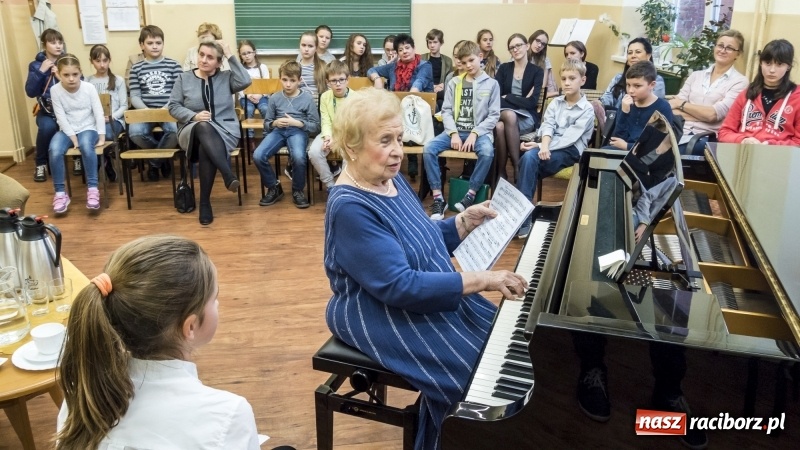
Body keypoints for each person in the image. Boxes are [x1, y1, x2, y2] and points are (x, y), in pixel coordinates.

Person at [324, 87, 528, 450]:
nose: (398, 151)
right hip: (375, 308)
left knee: (496, 345)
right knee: (473, 379)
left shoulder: (387, 176)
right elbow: (401, 286)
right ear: (351, 146)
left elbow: (417, 238)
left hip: (414, 289)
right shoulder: (350, 206)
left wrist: (462, 222)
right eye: (385, 140)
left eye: (400, 138)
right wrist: (483, 279)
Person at [55, 235, 262, 449]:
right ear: (190, 326)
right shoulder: (228, 416)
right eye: (214, 298)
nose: (217, 303)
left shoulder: (83, 397)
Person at [168, 40, 251, 225]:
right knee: (204, 127)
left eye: (210, 57)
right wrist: (193, 116)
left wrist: (231, 55)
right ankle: (227, 174)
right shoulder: (184, 78)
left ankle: (205, 203)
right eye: (201, 55)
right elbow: (173, 106)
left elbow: (246, 80)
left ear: (219, 62)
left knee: (207, 148)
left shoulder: (227, 77)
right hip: (190, 130)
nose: (204, 60)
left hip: (225, 130)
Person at [516, 59, 595, 239]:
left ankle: (521, 213)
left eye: (572, 78)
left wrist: (540, 146)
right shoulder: (555, 103)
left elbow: (569, 138)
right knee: (529, 159)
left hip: (571, 151)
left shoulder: (587, 109)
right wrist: (541, 145)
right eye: (564, 78)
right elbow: (548, 126)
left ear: (582, 80)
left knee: (527, 161)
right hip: (549, 146)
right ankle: (525, 214)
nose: (566, 83)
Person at [424, 40, 500, 220]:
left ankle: (470, 195)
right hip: (455, 131)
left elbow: (494, 115)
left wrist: (475, 133)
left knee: (488, 152)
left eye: (471, 60)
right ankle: (438, 198)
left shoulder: (492, 84)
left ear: (480, 57)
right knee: (428, 149)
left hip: (479, 133)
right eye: (464, 62)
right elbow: (447, 111)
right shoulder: (454, 83)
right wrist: (453, 134)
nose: (467, 66)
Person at [669, 30, 748, 154]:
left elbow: (713, 115)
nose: (723, 50)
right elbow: (672, 108)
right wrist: (703, 114)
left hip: (707, 138)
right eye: (720, 45)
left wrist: (683, 105)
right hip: (680, 131)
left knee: (667, 153)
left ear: (738, 54)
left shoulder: (740, 82)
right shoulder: (695, 76)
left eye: (729, 48)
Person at [254, 61, 320, 209]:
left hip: (298, 131)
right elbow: (267, 123)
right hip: (278, 131)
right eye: (285, 80)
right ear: (280, 79)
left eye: (292, 80)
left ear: (299, 80)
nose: (288, 84)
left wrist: (298, 123)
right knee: (258, 155)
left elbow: (316, 126)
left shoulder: (307, 98)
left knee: (298, 156)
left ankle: (297, 190)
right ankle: (274, 187)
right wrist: (274, 123)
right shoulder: (275, 98)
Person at [367, 33, 434, 180]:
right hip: (398, 110)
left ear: (414, 48)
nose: (404, 51)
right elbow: (371, 70)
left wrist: (407, 96)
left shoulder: (424, 65)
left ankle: (410, 159)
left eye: (407, 48)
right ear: (397, 53)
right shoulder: (393, 67)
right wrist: (377, 78)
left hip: (418, 114)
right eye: (401, 49)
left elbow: (418, 85)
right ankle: (386, 165)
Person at [48, 54, 105, 214]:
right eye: (66, 75)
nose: (71, 79)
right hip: (67, 129)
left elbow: (98, 112)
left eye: (75, 74)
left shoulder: (89, 88)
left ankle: (93, 189)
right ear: (58, 74)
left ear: (80, 72)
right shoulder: (55, 90)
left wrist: (101, 136)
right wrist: (73, 138)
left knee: (87, 146)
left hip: (88, 127)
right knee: (54, 149)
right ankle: (60, 193)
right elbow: (61, 117)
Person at [718, 39, 800, 146]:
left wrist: (771, 144)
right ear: (761, 63)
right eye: (768, 63)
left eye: (779, 64)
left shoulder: (797, 97)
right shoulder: (746, 94)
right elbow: (724, 132)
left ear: (789, 66)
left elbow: (798, 141)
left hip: (780, 157)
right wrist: (743, 140)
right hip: (744, 154)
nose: (772, 70)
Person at [128, 25, 182, 181]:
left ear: (163, 44)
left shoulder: (174, 65)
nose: (155, 46)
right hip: (145, 111)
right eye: (150, 43)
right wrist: (147, 111)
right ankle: (164, 158)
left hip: (169, 111)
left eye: (158, 42)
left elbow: (177, 93)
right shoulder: (136, 68)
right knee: (135, 132)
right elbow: (135, 95)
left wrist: (165, 108)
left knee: (174, 131)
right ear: (142, 45)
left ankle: (155, 163)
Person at [493, 33, 544, 182]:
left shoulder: (537, 71)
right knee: (508, 116)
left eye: (518, 45)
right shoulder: (504, 68)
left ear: (527, 46)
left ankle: (505, 170)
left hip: (527, 116)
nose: (515, 49)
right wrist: (521, 100)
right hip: (504, 112)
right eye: (511, 47)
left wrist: (508, 97)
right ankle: (515, 166)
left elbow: (532, 103)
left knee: (500, 127)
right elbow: (496, 97)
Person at [309, 61, 358, 192]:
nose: (338, 84)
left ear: (348, 80)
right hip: (329, 132)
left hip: (348, 134)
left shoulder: (355, 97)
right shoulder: (325, 97)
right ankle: (331, 186)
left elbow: (353, 124)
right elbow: (325, 120)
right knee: (314, 151)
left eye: (341, 80)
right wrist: (328, 137)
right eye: (333, 80)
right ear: (327, 82)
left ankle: (344, 185)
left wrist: (337, 140)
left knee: (349, 153)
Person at [605, 61, 673, 151]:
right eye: (628, 85)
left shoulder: (662, 107)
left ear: (652, 85)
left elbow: (656, 146)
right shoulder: (626, 103)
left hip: (646, 157)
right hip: (622, 152)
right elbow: (617, 139)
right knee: (596, 155)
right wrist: (624, 113)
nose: (630, 90)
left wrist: (627, 146)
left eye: (637, 86)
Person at [25, 28, 64, 182]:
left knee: (76, 126)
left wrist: (60, 76)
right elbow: (30, 91)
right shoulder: (35, 65)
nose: (58, 46)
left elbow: (79, 86)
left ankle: (76, 160)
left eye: (60, 42)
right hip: (47, 110)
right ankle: (41, 163)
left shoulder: (67, 61)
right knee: (47, 127)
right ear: (44, 44)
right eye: (53, 42)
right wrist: (42, 71)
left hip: (67, 109)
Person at [87, 44, 128, 182]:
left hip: (114, 121)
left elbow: (124, 105)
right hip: (93, 121)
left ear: (109, 60)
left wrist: (111, 117)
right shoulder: (87, 81)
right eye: (98, 61)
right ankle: (107, 163)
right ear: (91, 61)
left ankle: (101, 163)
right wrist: (97, 118)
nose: (102, 64)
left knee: (107, 135)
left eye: (105, 60)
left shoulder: (118, 80)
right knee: (92, 136)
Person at [599, 38, 666, 110]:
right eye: (630, 53)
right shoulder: (618, 77)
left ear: (648, 56)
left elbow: (651, 106)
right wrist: (600, 103)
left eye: (638, 52)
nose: (633, 56)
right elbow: (608, 96)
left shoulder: (657, 80)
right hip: (612, 116)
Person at [237, 39, 271, 144]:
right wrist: (249, 95)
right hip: (246, 97)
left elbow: (267, 85)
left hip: (262, 96)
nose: (247, 56)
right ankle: (250, 139)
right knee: (248, 109)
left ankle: (267, 137)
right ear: (240, 55)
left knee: (265, 108)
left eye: (249, 53)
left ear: (254, 53)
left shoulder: (263, 67)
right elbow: (239, 87)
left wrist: (259, 95)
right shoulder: (240, 69)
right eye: (243, 54)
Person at [422, 29, 453, 110]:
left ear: (441, 43)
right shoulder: (421, 59)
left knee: (442, 102)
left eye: (435, 42)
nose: (432, 45)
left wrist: (442, 85)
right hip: (426, 90)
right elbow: (418, 78)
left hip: (441, 91)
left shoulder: (448, 61)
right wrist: (432, 86)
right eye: (430, 42)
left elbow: (450, 79)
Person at [296, 31, 328, 105]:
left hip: (318, 106)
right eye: (303, 45)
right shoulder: (295, 68)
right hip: (299, 106)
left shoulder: (323, 66)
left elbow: (328, 90)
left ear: (316, 48)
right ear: (299, 46)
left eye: (310, 46)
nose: (306, 49)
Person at [528, 30, 557, 98]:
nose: (539, 45)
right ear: (531, 39)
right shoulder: (521, 55)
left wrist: (529, 95)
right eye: (537, 41)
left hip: (536, 93)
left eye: (543, 44)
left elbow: (543, 84)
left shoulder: (545, 59)